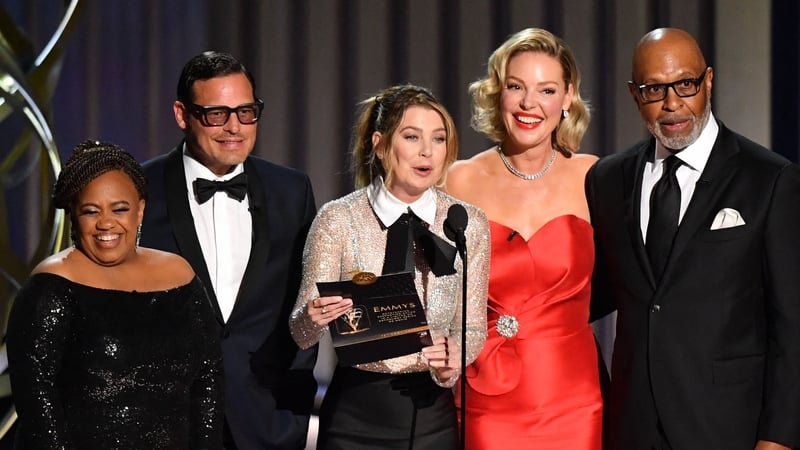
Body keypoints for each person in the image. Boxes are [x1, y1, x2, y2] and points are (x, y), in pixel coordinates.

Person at [586, 27, 800, 450]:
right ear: (634, 94)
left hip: (727, 426)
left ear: (708, 81)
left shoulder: (770, 179)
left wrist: (778, 439)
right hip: (634, 426)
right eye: (654, 89)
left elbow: (793, 324)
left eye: (685, 84)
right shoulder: (608, 180)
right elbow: (593, 292)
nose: (672, 103)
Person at [289, 84, 490, 449]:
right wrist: (312, 316)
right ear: (380, 145)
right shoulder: (338, 219)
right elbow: (301, 334)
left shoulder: (466, 223)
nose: (427, 151)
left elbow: (473, 327)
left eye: (439, 139)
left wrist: (452, 362)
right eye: (412, 137)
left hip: (432, 417)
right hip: (354, 413)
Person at [139, 51, 318, 449]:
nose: (234, 127)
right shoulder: (138, 190)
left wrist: (290, 413)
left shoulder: (292, 190)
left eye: (246, 111)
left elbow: (304, 298)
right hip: (165, 423)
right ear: (182, 115)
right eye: (216, 114)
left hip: (265, 422)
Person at [6, 140, 223, 449]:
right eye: (91, 211)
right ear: (74, 215)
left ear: (140, 210)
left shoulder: (181, 276)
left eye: (120, 209)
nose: (106, 223)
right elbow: (38, 412)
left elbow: (208, 381)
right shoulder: (49, 289)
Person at [445, 28, 602, 449]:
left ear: (568, 97)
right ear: (498, 93)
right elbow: (432, 289)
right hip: (487, 400)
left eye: (546, 90)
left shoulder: (595, 177)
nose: (529, 104)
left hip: (576, 400)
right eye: (516, 87)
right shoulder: (458, 179)